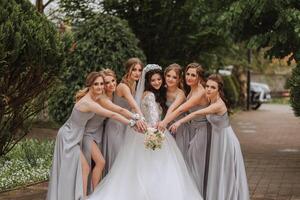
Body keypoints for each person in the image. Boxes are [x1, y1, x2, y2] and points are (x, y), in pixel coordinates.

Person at [87, 64, 203, 200]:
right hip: (152, 132)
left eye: (159, 79)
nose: (157, 82)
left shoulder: (155, 93)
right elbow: (154, 118)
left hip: (150, 131)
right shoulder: (149, 96)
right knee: (156, 168)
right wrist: (156, 131)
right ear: (148, 81)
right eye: (153, 80)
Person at [46, 72, 137, 200]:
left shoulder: (95, 99)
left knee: (84, 167)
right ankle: (81, 196)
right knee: (82, 167)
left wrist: (135, 117)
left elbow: (118, 110)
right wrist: (132, 122)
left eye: (101, 84)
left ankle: (83, 195)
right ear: (90, 86)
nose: (100, 87)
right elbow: (113, 114)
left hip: (76, 135)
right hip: (68, 136)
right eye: (96, 84)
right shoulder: (89, 103)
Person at [170, 74, 250, 200]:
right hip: (217, 139)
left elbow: (197, 113)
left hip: (225, 140)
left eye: (213, 87)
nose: (208, 89)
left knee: (225, 170)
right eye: (207, 86)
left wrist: (179, 122)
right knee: (218, 170)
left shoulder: (218, 104)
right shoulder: (210, 99)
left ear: (219, 90)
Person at [158, 63, 211, 197]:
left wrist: (164, 122)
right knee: (186, 162)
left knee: (192, 163)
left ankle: (197, 194)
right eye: (188, 74)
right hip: (191, 127)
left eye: (193, 75)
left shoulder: (198, 92)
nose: (190, 77)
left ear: (199, 77)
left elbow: (180, 109)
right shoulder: (191, 89)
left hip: (199, 130)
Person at [103, 58, 147, 174]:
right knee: (116, 160)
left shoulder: (134, 84)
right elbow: (134, 105)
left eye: (139, 70)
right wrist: (141, 119)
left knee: (123, 160)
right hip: (115, 125)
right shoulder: (123, 86)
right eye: (134, 70)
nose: (137, 73)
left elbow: (133, 108)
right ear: (128, 70)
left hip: (125, 125)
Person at [163, 63, 189, 160]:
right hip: (166, 124)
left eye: (174, 77)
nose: (170, 79)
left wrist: (163, 122)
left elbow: (172, 108)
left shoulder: (180, 94)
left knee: (177, 155)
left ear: (179, 79)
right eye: (168, 76)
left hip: (178, 127)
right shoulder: (162, 89)